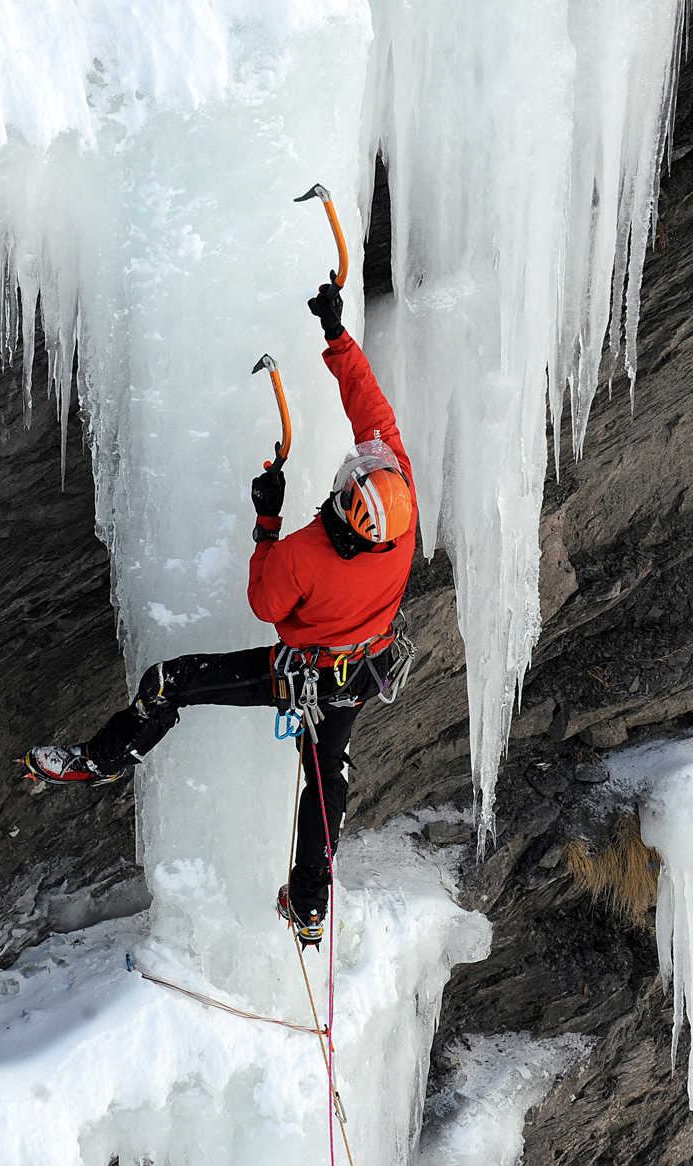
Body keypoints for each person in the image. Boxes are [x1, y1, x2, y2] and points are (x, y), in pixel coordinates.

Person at [22, 279, 417, 946]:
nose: (349, 473)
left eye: (351, 481)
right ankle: (310, 904)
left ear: (351, 515)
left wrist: (266, 520)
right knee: (325, 780)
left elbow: (265, 602)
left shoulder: (306, 553)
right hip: (356, 673)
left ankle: (105, 759)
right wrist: (338, 339)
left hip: (299, 670)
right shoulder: (396, 518)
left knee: (170, 684)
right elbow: (374, 414)